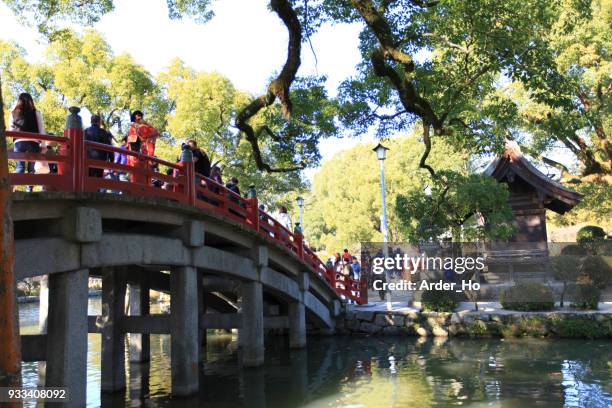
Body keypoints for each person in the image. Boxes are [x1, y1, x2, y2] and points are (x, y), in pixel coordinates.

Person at [8, 93, 44, 191]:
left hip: (19, 142)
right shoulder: (37, 113)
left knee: (20, 167)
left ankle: (11, 188)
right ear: (31, 101)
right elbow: (41, 130)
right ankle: (29, 190)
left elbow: (10, 130)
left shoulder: (13, 113)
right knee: (31, 169)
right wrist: (43, 145)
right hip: (33, 142)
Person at [127, 110, 158, 183]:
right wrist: (146, 123)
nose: (140, 117)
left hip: (133, 156)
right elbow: (155, 132)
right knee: (143, 176)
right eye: (139, 116)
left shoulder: (131, 129)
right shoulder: (142, 127)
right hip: (142, 154)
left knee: (135, 176)